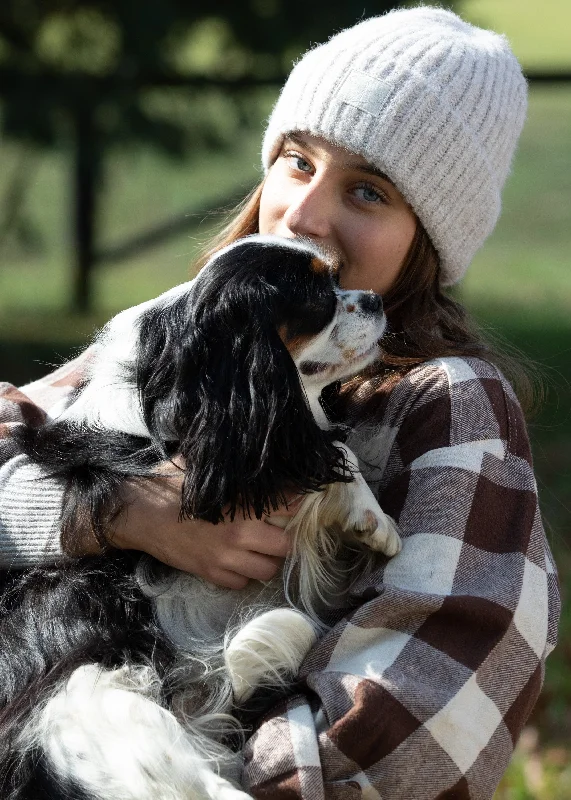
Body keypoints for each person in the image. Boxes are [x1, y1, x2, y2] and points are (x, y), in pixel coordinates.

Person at [0, 6, 560, 798]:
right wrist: (112, 511)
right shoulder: (177, 329)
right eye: (297, 162)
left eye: (367, 192)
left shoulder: (448, 405)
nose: (305, 214)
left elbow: (446, 683)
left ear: (428, 240)